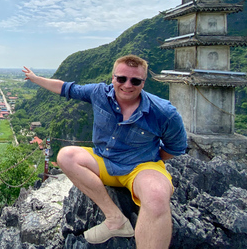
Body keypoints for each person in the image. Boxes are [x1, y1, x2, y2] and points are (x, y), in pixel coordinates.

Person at [22, 54, 187, 249]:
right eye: (121, 79)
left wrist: (149, 164)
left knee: (157, 196)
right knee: (66, 156)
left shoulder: (164, 112)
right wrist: (35, 78)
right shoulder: (99, 93)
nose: (127, 85)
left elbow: (174, 148)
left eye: (135, 80)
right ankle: (115, 218)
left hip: (141, 167)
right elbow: (66, 88)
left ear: (143, 83)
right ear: (113, 78)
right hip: (104, 161)